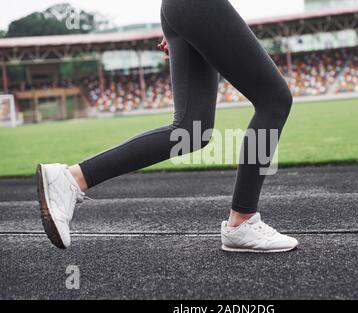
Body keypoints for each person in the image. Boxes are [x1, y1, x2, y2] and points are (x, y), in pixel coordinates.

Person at [36, 0, 298, 253]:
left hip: (183, 8)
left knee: (191, 130)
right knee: (274, 100)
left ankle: (72, 179)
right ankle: (243, 221)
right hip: (196, 6)